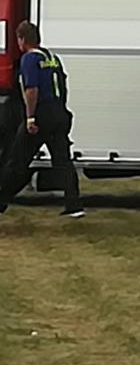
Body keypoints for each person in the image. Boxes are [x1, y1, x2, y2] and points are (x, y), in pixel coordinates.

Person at [0, 22, 83, 218]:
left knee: (17, 160)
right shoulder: (52, 58)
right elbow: (63, 86)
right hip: (59, 113)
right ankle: (74, 205)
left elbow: (31, 90)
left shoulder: (29, 59)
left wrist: (30, 118)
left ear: (22, 40)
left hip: (41, 116)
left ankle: (1, 200)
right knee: (63, 161)